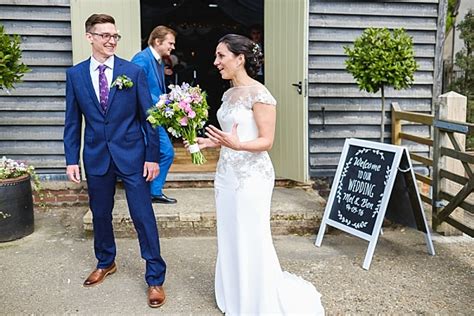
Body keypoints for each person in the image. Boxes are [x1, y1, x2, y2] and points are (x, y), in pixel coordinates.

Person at [187, 34, 325, 314]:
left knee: (251, 232)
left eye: (221, 56)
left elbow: (266, 141)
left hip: (252, 177)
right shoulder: (227, 94)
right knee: (229, 231)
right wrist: (213, 142)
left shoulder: (261, 95)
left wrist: (237, 144)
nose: (216, 62)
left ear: (240, 59)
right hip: (226, 173)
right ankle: (236, 293)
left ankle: (258, 299)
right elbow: (233, 134)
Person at [63, 14, 166, 308]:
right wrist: (72, 159)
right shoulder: (76, 75)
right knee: (100, 214)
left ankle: (155, 278)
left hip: (133, 156)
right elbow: (72, 122)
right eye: (105, 35)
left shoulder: (132, 72)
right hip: (96, 157)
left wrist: (152, 157)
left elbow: (150, 118)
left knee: (143, 216)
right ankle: (106, 261)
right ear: (90, 37)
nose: (111, 41)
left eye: (115, 36)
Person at [131, 26, 177, 204]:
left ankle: (152, 191)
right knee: (167, 152)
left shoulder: (157, 60)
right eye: (170, 43)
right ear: (157, 41)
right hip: (146, 118)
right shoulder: (141, 60)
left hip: (156, 116)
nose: (172, 47)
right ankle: (153, 192)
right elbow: (134, 88)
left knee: (160, 153)